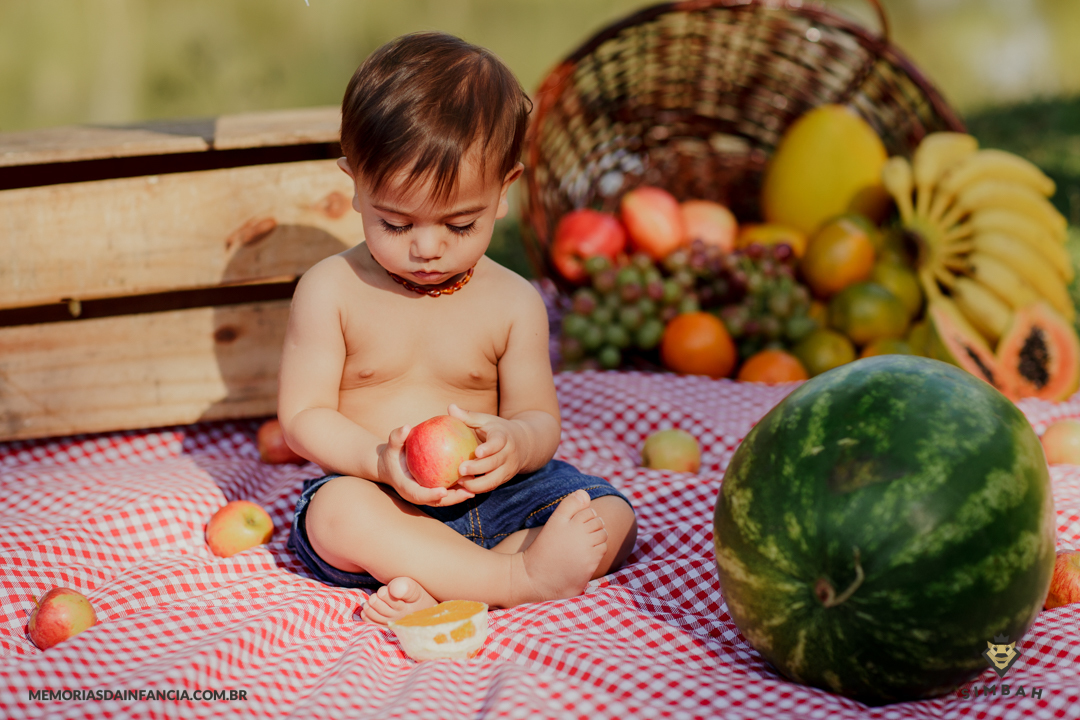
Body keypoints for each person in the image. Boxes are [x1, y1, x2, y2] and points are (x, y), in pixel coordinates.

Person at [279, 32, 638, 625]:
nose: (427, 248)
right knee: (336, 514)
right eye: (394, 224)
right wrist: (378, 462)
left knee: (608, 517)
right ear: (354, 184)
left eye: (459, 223)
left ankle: (443, 582)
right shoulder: (331, 289)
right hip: (384, 501)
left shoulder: (515, 301)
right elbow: (302, 418)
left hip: (498, 497)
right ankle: (512, 577)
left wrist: (515, 445)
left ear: (503, 193)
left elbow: (539, 420)